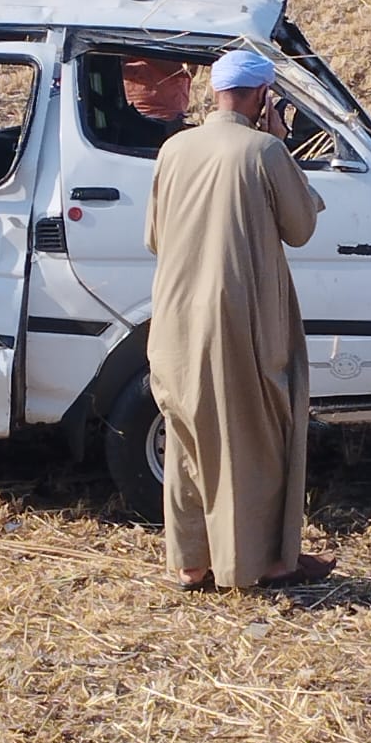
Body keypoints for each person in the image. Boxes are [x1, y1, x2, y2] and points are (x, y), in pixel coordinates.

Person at [145, 49, 335, 592]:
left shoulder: (174, 148)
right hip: (239, 320)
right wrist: (281, 142)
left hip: (175, 320)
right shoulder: (266, 151)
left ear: (213, 92)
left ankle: (190, 564)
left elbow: (155, 236)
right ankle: (265, 564)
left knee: (187, 439)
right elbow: (300, 228)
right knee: (255, 439)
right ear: (261, 97)